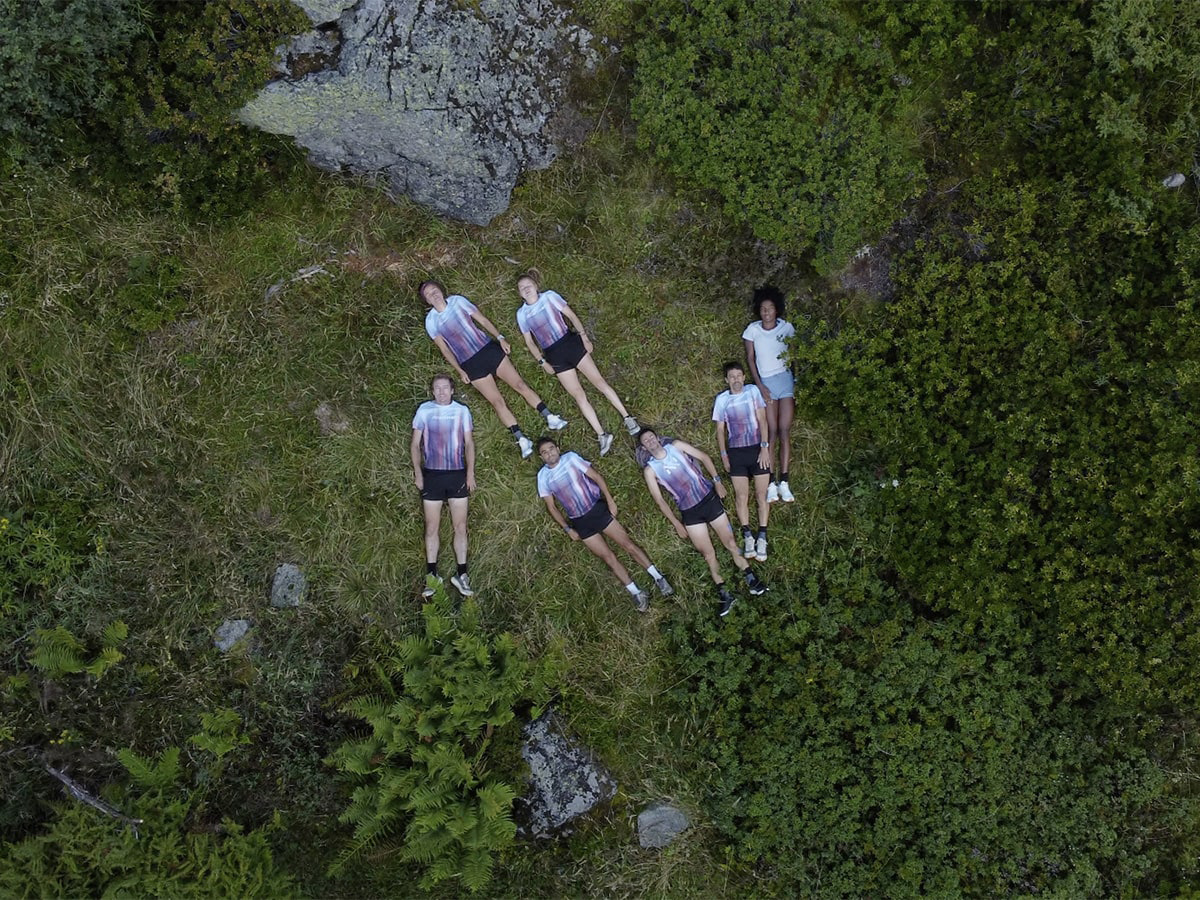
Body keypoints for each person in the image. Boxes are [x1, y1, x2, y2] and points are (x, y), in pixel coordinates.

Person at [420, 280, 567, 458]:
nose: (434, 294)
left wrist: (500, 337)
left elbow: (481, 319)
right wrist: (460, 370)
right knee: (497, 402)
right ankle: (521, 439)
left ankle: (549, 416)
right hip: (470, 364)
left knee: (520, 385)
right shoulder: (431, 321)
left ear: (441, 290)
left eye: (435, 290)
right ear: (427, 301)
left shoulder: (457, 301)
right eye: (429, 294)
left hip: (488, 350)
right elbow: (444, 349)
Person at [637, 427, 768, 617]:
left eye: (651, 437)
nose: (650, 441)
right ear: (644, 448)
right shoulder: (650, 470)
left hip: (708, 499)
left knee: (730, 543)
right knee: (708, 554)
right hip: (690, 512)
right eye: (646, 441)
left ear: (657, 438)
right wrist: (676, 523)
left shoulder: (676, 446)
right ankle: (725, 593)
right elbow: (660, 500)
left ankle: (752, 579)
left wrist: (717, 481)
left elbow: (704, 457)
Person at [535, 437, 673, 612]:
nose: (549, 454)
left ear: (557, 448)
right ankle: (637, 593)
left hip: (597, 509)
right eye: (544, 452)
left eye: (551, 448)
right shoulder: (543, 476)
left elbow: (596, 477)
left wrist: (610, 501)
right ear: (541, 457)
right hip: (579, 521)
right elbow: (552, 507)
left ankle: (658, 577)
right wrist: (568, 528)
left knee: (628, 545)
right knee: (608, 558)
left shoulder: (570, 458)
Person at [515, 270, 640, 458]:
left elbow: (571, 316)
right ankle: (602, 435)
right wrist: (542, 362)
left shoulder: (549, 297)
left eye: (528, 285)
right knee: (578, 395)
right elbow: (529, 342)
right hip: (554, 355)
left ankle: (627, 417)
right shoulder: (521, 314)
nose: (526, 289)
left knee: (599, 382)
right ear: (519, 293)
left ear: (536, 286)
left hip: (570, 343)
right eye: (521, 288)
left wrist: (584, 337)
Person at [411, 374, 477, 598]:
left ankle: (462, 575)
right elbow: (415, 444)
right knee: (431, 527)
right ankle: (432, 576)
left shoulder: (462, 411)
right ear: (432, 391)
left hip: (457, 474)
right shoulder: (424, 410)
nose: (441, 392)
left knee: (461, 526)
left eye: (445, 388)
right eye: (437, 388)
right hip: (432, 475)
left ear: (452, 390)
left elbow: (469, 443)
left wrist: (470, 473)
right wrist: (418, 473)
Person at [712, 361, 772, 561]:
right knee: (741, 496)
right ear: (726, 380)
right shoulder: (722, 400)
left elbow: (763, 420)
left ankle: (762, 536)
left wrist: (764, 448)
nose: (736, 379)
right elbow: (720, 430)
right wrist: (724, 456)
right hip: (736, 452)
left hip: (757, 449)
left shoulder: (753, 391)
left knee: (761, 495)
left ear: (744, 377)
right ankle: (747, 535)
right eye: (732, 377)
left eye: (739, 376)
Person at [743, 286, 796, 503]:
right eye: (763, 309)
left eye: (770, 308)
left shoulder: (786, 327)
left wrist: (797, 380)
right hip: (766, 382)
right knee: (771, 431)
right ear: (759, 310)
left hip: (785, 380)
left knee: (784, 430)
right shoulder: (752, 330)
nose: (766, 312)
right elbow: (750, 358)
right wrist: (760, 386)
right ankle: (771, 482)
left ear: (777, 310)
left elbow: (794, 354)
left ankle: (785, 481)